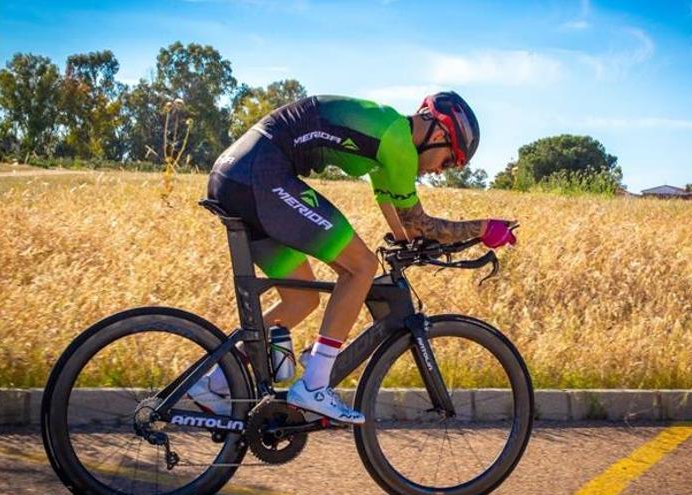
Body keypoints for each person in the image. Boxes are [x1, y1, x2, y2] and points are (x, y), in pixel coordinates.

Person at [187, 92, 517, 424]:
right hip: (260, 175)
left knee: (302, 298)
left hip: (238, 174)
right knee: (361, 267)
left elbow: (401, 220)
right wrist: (484, 228)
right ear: (438, 133)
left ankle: (215, 382)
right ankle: (315, 383)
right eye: (450, 161)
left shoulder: (387, 140)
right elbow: (420, 223)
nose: (441, 172)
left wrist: (410, 243)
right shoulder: (398, 142)